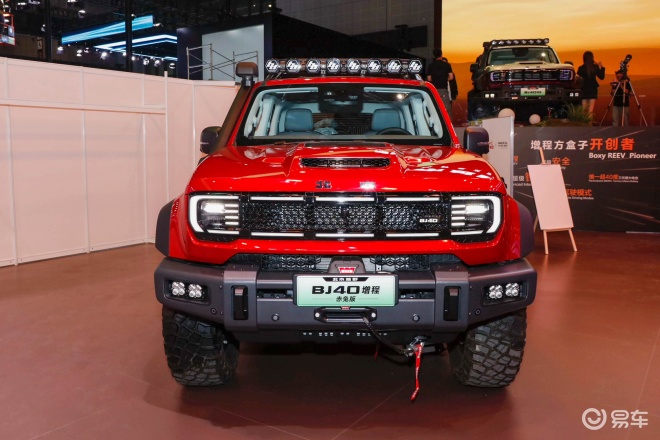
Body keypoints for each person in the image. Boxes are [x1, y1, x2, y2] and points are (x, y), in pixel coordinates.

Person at [577, 51, 605, 119]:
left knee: (583, 111)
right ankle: (589, 124)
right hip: (593, 90)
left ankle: (583, 124)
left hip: (584, 90)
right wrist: (602, 67)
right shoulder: (595, 67)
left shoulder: (581, 68)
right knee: (590, 112)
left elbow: (578, 80)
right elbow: (602, 77)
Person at [427, 48, 454, 115]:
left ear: (434, 56)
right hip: (443, 90)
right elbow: (451, 77)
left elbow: (429, 79)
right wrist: (444, 79)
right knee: (446, 110)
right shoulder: (447, 65)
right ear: (441, 54)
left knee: (435, 109)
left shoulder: (430, 66)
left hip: (433, 90)